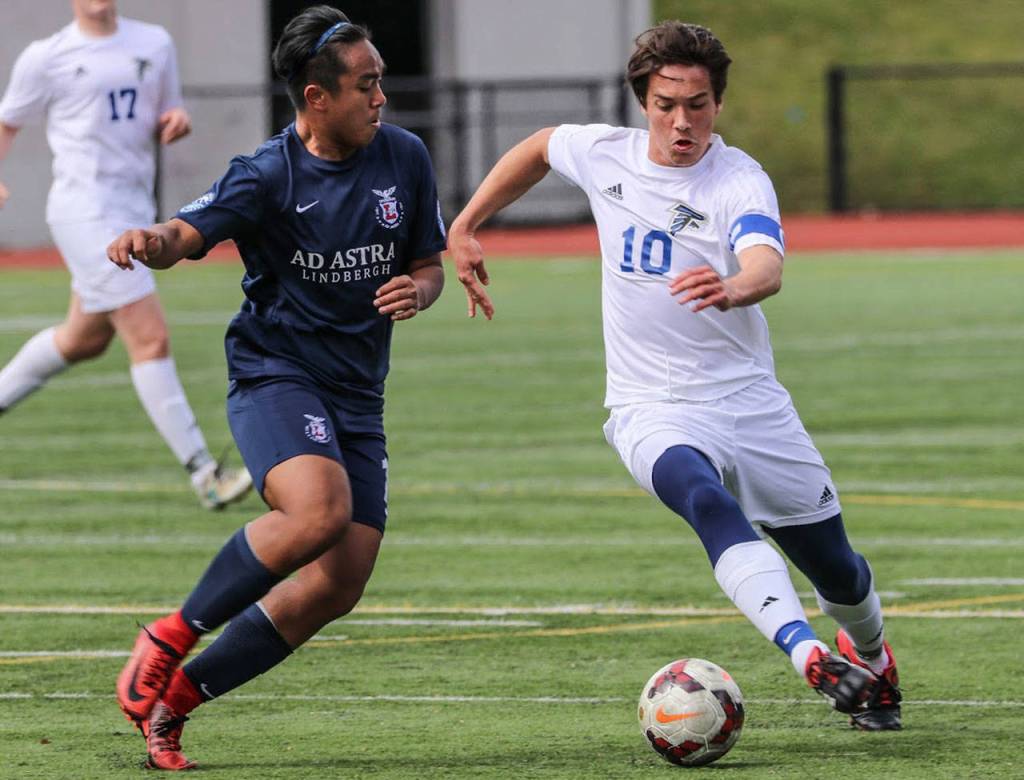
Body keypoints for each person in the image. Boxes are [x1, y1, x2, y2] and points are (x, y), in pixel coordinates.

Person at [449, 21, 901, 740]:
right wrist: (467, 223)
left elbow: (767, 265)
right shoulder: (605, 154)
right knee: (703, 500)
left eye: (697, 104)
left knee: (838, 570)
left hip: (749, 404)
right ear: (642, 101)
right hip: (648, 405)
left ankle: (871, 656)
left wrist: (733, 287)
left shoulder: (738, 179)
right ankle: (807, 653)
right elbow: (538, 147)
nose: (681, 121)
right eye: (665, 104)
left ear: (718, 104)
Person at [107, 5, 446, 771]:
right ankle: (167, 634)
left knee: (339, 584)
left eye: (382, 81)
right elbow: (183, 236)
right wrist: (146, 241)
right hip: (276, 375)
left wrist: (418, 293)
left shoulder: (405, 157)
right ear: (316, 98)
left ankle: (174, 704)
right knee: (318, 512)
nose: (381, 97)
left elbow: (429, 264)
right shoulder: (267, 174)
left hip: (359, 394)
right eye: (366, 85)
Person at [0, 0, 251, 509]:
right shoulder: (45, 55)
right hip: (84, 213)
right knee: (149, 337)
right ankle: (205, 473)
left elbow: (166, 111)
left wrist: (175, 120)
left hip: (132, 210)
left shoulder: (154, 42)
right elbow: (8, 120)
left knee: (81, 340)